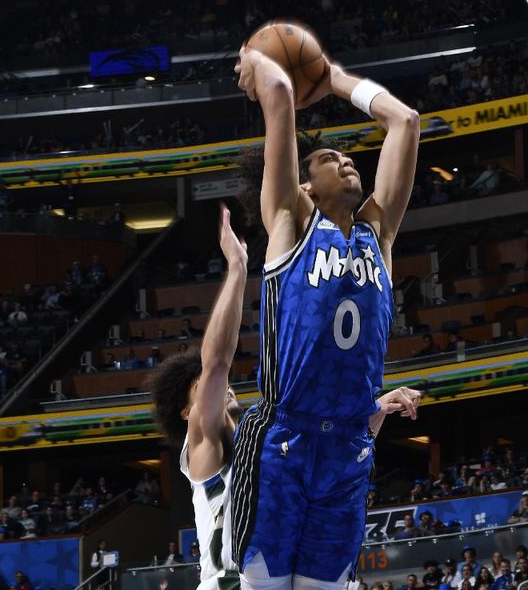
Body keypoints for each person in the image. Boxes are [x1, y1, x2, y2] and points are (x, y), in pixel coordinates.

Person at [148, 207, 421, 589]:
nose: (222, 386)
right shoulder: (206, 447)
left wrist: (377, 407)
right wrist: (238, 269)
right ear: (186, 411)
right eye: (201, 388)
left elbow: (336, 440)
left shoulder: (267, 439)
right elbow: (216, 363)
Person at [232, 37, 420, 588]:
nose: (345, 158)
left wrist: (333, 77)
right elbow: (280, 96)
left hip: (348, 446)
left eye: (346, 154)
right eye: (327, 158)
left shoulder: (377, 234)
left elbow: (404, 122)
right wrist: (260, 62)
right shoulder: (291, 222)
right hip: (281, 441)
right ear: (306, 184)